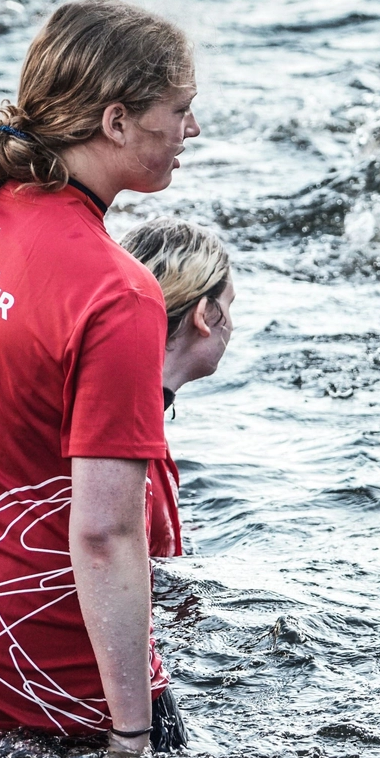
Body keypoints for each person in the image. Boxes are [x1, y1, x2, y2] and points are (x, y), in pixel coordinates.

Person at [0, 0, 199, 754]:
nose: (191, 132)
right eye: (180, 110)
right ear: (116, 122)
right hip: (60, 675)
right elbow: (108, 532)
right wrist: (132, 735)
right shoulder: (117, 294)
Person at [119, 220, 235, 565]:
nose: (232, 322)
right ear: (203, 315)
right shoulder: (130, 437)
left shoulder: (130, 408)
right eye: (229, 305)